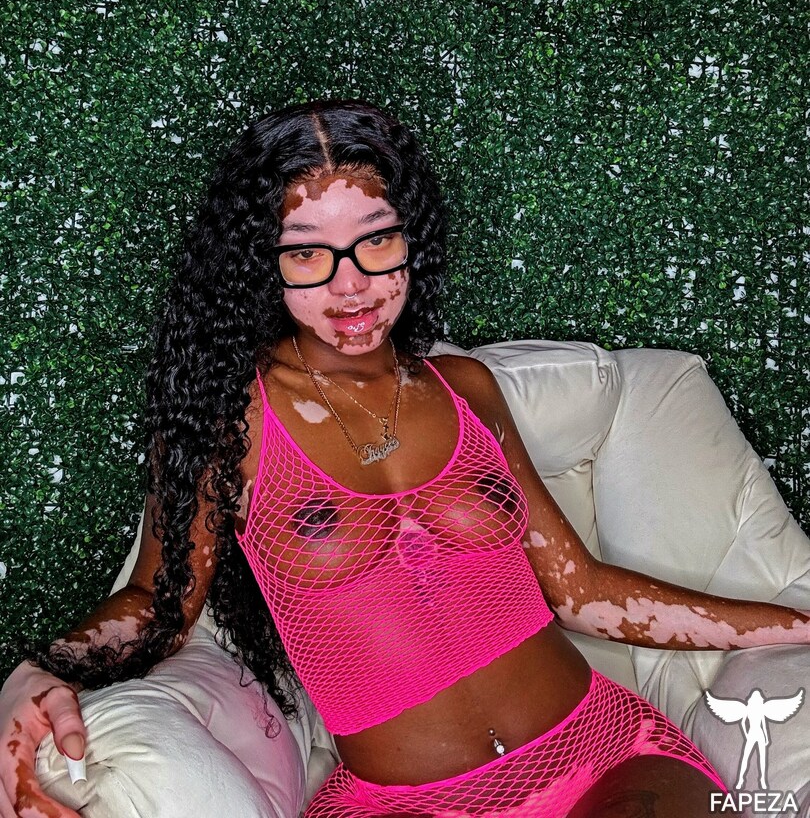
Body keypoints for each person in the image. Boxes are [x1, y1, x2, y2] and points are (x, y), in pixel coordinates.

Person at [2, 99, 809, 818]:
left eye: (377, 240)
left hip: (603, 755)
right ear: (261, 263)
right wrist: (37, 669)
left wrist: (797, 626)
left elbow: (581, 592)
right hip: (399, 800)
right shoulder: (230, 421)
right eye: (308, 254)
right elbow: (161, 603)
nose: (351, 285)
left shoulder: (467, 391)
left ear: (410, 238)